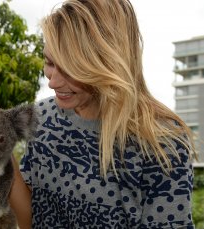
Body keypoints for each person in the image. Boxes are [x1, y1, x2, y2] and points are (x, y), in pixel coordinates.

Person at [10, 0, 197, 228]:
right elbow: (34, 219)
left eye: (71, 69)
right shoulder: (41, 118)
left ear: (108, 65)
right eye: (49, 62)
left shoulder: (163, 144)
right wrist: (2, 154)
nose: (53, 82)